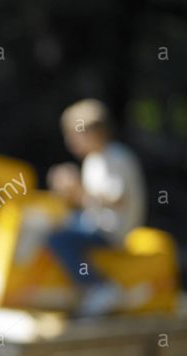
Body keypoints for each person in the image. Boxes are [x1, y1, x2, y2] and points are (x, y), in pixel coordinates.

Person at [46, 98, 149, 316]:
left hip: (113, 230)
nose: (71, 141)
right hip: (97, 224)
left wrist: (79, 188)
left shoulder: (116, 157)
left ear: (94, 132)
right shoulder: (94, 161)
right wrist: (69, 191)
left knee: (58, 239)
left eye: (76, 134)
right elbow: (88, 201)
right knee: (51, 224)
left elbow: (117, 199)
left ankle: (99, 287)